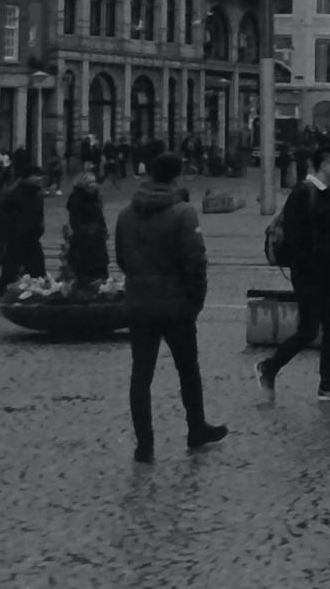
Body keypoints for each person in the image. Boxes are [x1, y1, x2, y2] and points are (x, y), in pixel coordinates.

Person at [114, 153, 226, 463]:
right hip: (177, 306)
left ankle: (144, 445)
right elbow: (196, 264)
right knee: (188, 370)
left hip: (139, 304)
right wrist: (195, 303)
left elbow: (122, 259)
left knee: (141, 375)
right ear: (176, 178)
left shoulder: (125, 214)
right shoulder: (183, 213)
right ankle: (196, 427)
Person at [255, 146, 330, 403]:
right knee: (309, 330)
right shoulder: (305, 193)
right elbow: (299, 239)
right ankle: (269, 367)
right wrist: (317, 264)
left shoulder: (328, 194)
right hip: (310, 275)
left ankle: (327, 384)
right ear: (324, 166)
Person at [0, 166, 48, 326]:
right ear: (27, 178)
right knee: (8, 277)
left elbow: (39, 217)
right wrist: (11, 233)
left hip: (32, 242)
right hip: (16, 243)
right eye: (37, 176)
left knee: (40, 277)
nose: (40, 179)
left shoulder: (38, 195)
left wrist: (40, 228)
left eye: (41, 177)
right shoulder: (13, 195)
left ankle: (40, 311)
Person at [64, 171, 111, 285]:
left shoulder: (94, 199)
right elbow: (76, 224)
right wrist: (93, 230)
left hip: (98, 243)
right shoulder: (77, 201)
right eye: (91, 182)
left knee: (101, 277)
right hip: (85, 247)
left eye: (94, 181)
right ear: (84, 185)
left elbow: (99, 217)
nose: (94, 185)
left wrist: (103, 230)